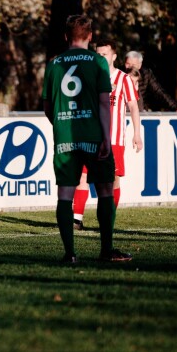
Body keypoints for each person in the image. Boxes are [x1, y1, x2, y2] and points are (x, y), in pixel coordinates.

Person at [42, 15, 131, 263]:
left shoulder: (54, 64)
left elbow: (47, 107)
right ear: (90, 36)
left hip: (65, 139)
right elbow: (105, 104)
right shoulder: (98, 62)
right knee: (104, 189)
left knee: (65, 194)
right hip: (94, 135)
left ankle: (70, 253)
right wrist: (105, 137)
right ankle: (106, 250)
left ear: (65, 36)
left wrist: (62, 125)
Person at [73, 40, 143, 231]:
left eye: (104, 54)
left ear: (113, 56)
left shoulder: (123, 79)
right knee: (82, 175)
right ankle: (76, 219)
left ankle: (107, 220)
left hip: (114, 139)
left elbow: (133, 106)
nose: (100, 58)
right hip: (90, 137)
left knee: (113, 180)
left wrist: (137, 133)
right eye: (97, 54)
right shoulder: (90, 77)